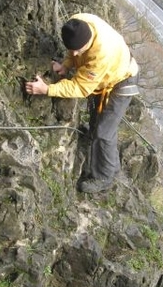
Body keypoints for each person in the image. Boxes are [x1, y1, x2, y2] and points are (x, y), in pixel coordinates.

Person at [25, 13, 139, 193]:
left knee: (103, 131)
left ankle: (104, 177)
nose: (75, 53)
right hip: (107, 75)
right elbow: (75, 51)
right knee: (97, 125)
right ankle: (112, 166)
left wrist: (47, 89)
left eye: (80, 49)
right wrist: (66, 64)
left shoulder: (102, 53)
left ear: (90, 41)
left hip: (121, 80)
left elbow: (80, 88)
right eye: (72, 49)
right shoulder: (76, 23)